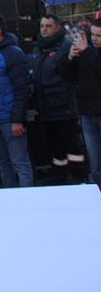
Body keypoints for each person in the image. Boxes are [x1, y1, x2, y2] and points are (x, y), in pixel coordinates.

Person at [0, 13, 33, 188]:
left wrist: (17, 119)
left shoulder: (14, 54)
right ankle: (8, 198)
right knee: (3, 163)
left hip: (9, 120)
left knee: (19, 162)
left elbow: (22, 89)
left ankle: (27, 199)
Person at [30, 15, 84, 183]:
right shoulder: (38, 49)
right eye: (42, 26)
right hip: (46, 109)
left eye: (48, 26)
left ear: (58, 27)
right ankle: (60, 181)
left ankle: (79, 179)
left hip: (64, 109)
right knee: (55, 152)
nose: (44, 29)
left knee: (73, 149)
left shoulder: (67, 46)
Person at [66, 19, 101, 189]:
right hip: (87, 112)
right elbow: (68, 76)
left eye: (99, 36)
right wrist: (70, 58)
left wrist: (86, 52)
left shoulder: (89, 52)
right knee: (95, 165)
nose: (95, 39)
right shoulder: (86, 52)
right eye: (93, 34)